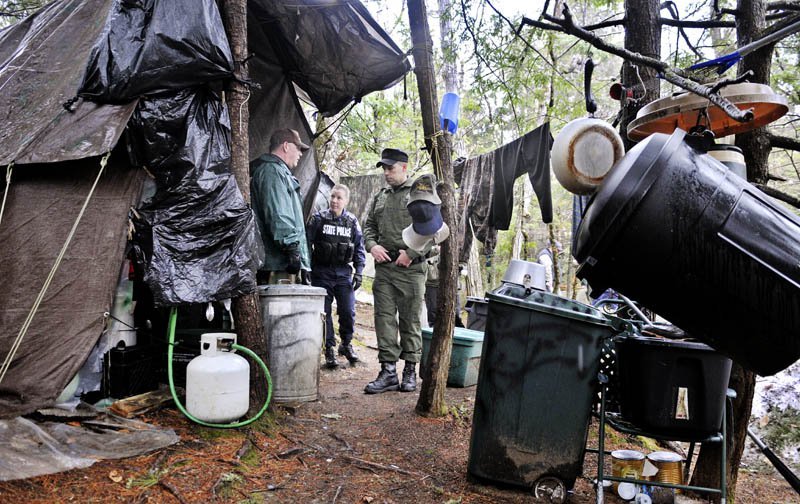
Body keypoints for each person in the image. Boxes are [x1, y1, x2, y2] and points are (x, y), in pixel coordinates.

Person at [363, 148, 428, 394]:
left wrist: (410, 253)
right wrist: (373, 246)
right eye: (384, 169)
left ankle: (410, 371)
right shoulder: (381, 195)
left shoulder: (419, 193)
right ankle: (388, 371)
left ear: (404, 167)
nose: (386, 173)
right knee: (384, 320)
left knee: (410, 320)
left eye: (391, 168)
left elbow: (432, 230)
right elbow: (368, 226)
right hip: (384, 268)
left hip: (411, 269)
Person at [306, 184, 366, 368]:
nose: (334, 200)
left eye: (339, 197)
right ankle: (329, 349)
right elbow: (306, 244)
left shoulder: (351, 221)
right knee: (324, 314)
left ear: (346, 201)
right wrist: (306, 269)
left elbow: (359, 248)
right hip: (321, 273)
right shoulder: (318, 219)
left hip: (343, 274)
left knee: (348, 311)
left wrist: (359, 272)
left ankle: (346, 345)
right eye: (332, 196)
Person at [250, 128, 311, 285]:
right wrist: (292, 249)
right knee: (280, 308)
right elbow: (278, 214)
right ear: (286, 146)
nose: (300, 153)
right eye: (298, 148)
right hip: (277, 264)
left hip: (281, 262)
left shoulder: (280, 172)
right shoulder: (272, 171)